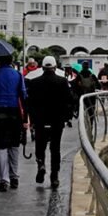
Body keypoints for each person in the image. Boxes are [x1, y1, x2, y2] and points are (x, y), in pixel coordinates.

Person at [26, 56, 73, 188]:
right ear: (54, 67)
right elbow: (69, 101)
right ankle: (54, 176)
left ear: (42, 67)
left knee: (40, 145)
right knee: (55, 148)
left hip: (40, 121)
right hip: (57, 121)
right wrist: (66, 117)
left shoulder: (34, 82)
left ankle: (41, 164)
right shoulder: (62, 82)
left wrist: (33, 119)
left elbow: (30, 103)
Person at [0, 54, 27, 192]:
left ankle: (4, 180)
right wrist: (25, 118)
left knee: (0, 147)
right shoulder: (17, 75)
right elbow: (23, 95)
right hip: (14, 113)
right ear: (11, 61)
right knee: (14, 145)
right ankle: (14, 176)